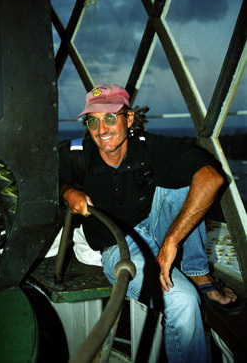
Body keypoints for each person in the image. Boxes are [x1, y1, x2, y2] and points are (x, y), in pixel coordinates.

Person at [59, 84, 241, 362]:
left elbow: (211, 177)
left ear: (129, 119)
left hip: (155, 228)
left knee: (188, 182)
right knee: (182, 302)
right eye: (92, 120)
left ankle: (197, 271)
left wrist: (170, 242)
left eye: (110, 117)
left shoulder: (149, 148)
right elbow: (35, 179)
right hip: (117, 247)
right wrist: (67, 191)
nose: (101, 128)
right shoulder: (76, 154)